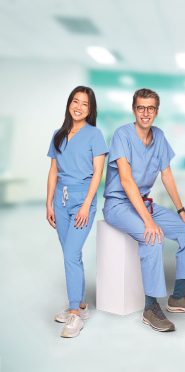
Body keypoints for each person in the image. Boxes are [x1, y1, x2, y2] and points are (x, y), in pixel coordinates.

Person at [103, 88, 185, 332]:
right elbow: (127, 181)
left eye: (150, 108)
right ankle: (150, 308)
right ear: (134, 109)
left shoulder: (159, 136)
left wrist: (182, 212)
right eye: (141, 107)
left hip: (144, 202)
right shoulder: (122, 135)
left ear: (156, 111)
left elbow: (167, 175)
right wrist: (148, 221)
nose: (145, 113)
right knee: (152, 238)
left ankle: (178, 297)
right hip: (119, 204)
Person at [46, 86, 107, 338]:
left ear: (90, 109)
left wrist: (86, 205)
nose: (79, 106)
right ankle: (80, 305)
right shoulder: (58, 134)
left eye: (84, 103)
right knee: (71, 254)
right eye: (75, 101)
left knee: (71, 253)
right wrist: (48, 202)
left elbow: (98, 173)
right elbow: (53, 171)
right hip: (60, 200)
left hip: (83, 200)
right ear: (69, 104)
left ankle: (73, 314)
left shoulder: (95, 134)